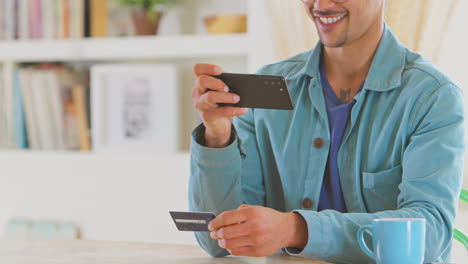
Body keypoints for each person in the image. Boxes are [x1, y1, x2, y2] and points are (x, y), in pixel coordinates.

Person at [189, 0, 464, 263]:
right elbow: (218, 242)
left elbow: (430, 233)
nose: (321, 5)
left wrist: (296, 229)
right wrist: (217, 135)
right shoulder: (269, 90)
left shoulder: (432, 97)